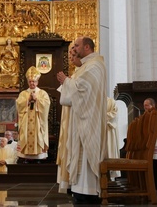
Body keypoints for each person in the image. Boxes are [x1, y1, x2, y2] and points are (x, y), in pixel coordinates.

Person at [57, 36, 107, 204]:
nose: (74, 49)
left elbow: (83, 90)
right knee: (80, 154)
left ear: (87, 47)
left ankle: (88, 190)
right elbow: (72, 96)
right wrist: (69, 83)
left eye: (76, 46)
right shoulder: (88, 66)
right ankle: (80, 189)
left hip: (88, 121)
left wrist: (66, 81)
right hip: (82, 118)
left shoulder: (95, 66)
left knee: (86, 154)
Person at [56, 45, 82, 193]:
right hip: (69, 115)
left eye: (73, 55)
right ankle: (69, 182)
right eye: (70, 55)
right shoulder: (76, 72)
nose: (71, 58)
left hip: (76, 117)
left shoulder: (82, 72)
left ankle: (73, 183)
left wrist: (66, 81)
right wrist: (65, 82)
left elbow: (78, 93)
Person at [16, 66, 50, 161]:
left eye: (34, 81)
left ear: (37, 82)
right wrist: (27, 100)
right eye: (30, 81)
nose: (32, 83)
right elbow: (19, 104)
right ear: (27, 82)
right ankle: (25, 157)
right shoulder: (23, 94)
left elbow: (46, 105)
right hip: (26, 123)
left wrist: (37, 100)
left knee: (38, 136)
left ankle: (38, 156)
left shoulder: (42, 93)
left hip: (38, 123)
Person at [143, 97, 157, 190]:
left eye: (147, 106)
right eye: (144, 106)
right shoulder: (147, 116)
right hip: (149, 147)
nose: (145, 108)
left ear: (153, 105)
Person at [106, 97, 121, 180]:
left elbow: (114, 114)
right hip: (97, 131)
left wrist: (101, 117)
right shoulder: (94, 100)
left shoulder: (111, 101)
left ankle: (110, 176)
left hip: (108, 130)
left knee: (110, 149)